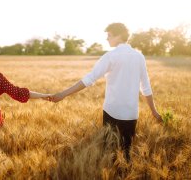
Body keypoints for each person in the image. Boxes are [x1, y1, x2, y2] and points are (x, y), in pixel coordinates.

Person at [50, 23, 162, 161]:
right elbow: (146, 86)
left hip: (112, 112)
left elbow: (89, 79)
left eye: (109, 35)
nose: (107, 39)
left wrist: (63, 94)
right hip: (132, 114)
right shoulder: (139, 57)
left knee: (109, 154)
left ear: (119, 35)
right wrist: (154, 112)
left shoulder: (110, 56)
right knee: (126, 155)